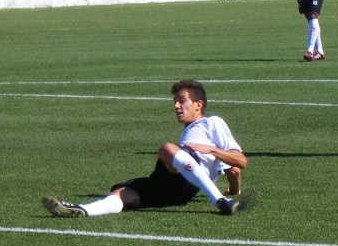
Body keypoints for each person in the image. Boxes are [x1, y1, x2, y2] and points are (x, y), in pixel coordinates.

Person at [43, 80, 244, 218]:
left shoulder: (212, 122)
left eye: (181, 100)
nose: (176, 105)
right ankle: (83, 210)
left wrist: (211, 150)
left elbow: (240, 161)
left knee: (167, 149)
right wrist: (234, 189)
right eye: (174, 101)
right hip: (174, 189)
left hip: (186, 178)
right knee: (122, 193)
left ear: (198, 105)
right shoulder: (189, 132)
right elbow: (233, 170)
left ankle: (219, 201)